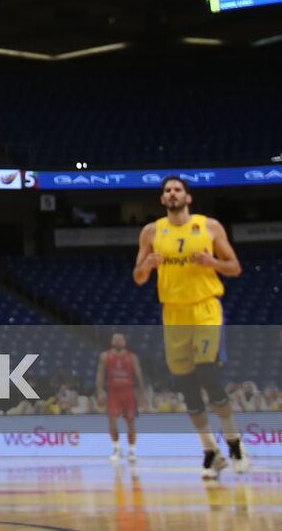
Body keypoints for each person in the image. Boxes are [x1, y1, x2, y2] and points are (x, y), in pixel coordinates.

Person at [133, 175, 246, 478]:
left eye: (177, 190)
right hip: (173, 313)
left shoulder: (209, 226)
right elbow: (138, 277)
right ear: (162, 199)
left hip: (205, 308)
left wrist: (213, 264)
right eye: (167, 190)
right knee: (186, 387)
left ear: (188, 197)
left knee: (207, 373)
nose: (172, 194)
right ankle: (211, 451)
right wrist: (147, 266)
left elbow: (234, 267)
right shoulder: (151, 232)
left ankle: (235, 443)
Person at [96, 332, 146, 462]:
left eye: (120, 339)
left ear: (125, 342)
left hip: (128, 392)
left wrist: (142, 394)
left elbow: (139, 375)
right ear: (112, 341)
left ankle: (132, 451)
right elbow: (100, 374)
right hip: (113, 392)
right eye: (115, 339)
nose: (118, 341)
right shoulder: (105, 356)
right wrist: (100, 391)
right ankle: (117, 449)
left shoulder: (132, 357)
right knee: (112, 422)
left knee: (131, 422)